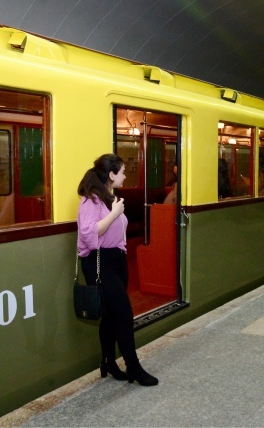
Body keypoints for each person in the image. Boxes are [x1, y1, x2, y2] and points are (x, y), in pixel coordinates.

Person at [77, 154, 158, 386]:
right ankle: (134, 367)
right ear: (111, 175)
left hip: (116, 260)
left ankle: (108, 362)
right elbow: (88, 234)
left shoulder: (110, 197)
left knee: (111, 316)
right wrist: (114, 213)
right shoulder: (90, 200)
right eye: (122, 172)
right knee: (123, 314)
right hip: (99, 261)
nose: (124, 175)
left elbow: (117, 232)